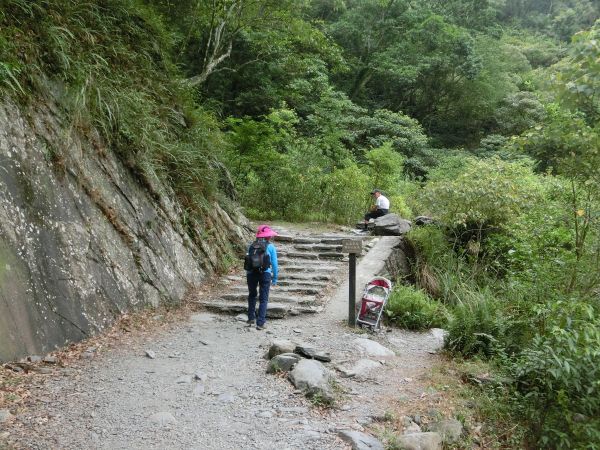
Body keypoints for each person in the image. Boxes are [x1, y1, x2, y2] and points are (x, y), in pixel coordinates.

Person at [246, 224, 278, 330]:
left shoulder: (251, 246)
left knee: (252, 295)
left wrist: (249, 273)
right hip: (265, 273)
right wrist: (275, 278)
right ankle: (260, 323)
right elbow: (274, 263)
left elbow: (248, 260)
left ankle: (251, 318)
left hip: (251, 273)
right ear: (268, 236)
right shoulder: (271, 247)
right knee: (263, 299)